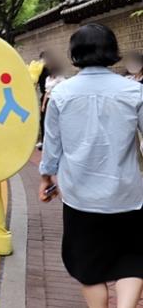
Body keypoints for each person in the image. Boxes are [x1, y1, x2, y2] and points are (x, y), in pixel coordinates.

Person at [39, 24, 143, 308]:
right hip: (129, 194)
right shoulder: (135, 91)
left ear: (75, 54)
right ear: (113, 52)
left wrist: (46, 177)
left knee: (88, 266)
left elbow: (52, 146)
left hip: (80, 197)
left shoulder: (61, 94)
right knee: (132, 259)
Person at [37, 51, 66, 150]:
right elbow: (44, 90)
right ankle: (44, 141)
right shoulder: (40, 72)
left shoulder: (57, 74)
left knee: (55, 120)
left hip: (56, 99)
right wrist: (43, 104)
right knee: (44, 120)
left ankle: (56, 142)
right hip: (46, 97)